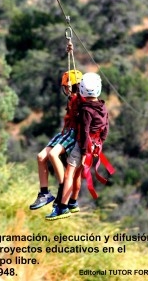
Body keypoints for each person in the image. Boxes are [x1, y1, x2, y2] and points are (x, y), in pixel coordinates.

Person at [45, 72, 109, 220]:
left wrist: (83, 149)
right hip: (94, 146)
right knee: (77, 176)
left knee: (68, 175)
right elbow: (105, 129)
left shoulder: (86, 110)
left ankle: (62, 207)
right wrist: (99, 143)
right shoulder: (102, 107)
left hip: (83, 146)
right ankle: (73, 202)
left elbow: (85, 130)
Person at [29, 69, 83, 212]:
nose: (65, 90)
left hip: (73, 134)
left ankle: (62, 189)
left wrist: (75, 90)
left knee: (53, 155)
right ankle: (45, 193)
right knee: (41, 157)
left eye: (66, 87)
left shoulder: (81, 99)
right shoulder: (72, 98)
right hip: (65, 133)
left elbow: (83, 102)